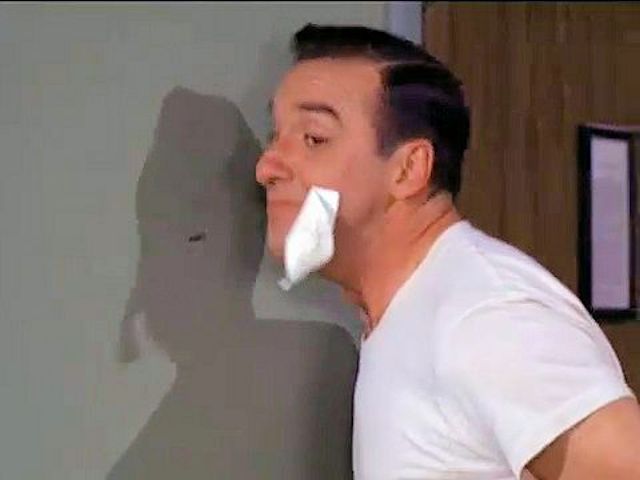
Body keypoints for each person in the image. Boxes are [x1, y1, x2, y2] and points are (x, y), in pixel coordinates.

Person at [255, 24, 640, 480]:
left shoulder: (488, 317)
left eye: (314, 138)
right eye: (276, 135)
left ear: (408, 170)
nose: (266, 167)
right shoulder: (408, 314)